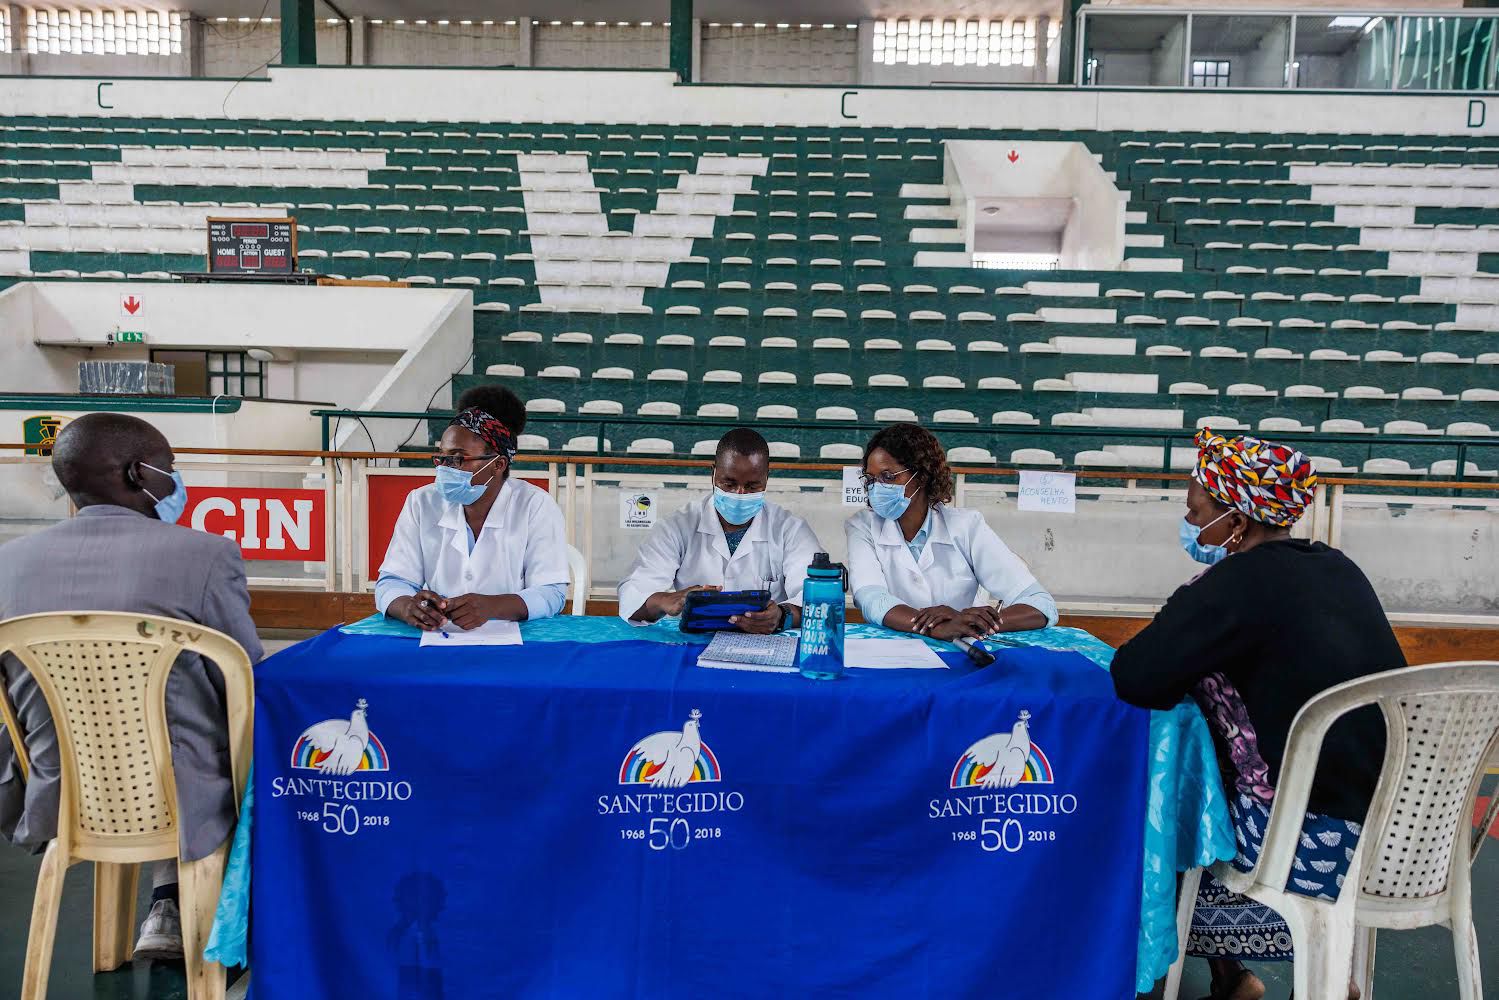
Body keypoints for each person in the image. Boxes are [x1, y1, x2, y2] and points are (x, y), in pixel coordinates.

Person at [1112, 429, 1404, 1000]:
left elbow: (1136, 677)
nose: (1190, 523)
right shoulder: (1340, 569)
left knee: (1163, 800)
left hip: (1305, 844)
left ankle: (1230, 975)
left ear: (1237, 522)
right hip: (1397, 835)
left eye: (1197, 511)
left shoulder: (1234, 583)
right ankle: (1304, 976)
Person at [0, 412, 264, 962]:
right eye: (169, 467)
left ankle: (165, 903)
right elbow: (243, 678)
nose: (176, 480)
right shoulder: (205, 555)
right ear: (137, 474)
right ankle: (211, 909)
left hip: (61, 794)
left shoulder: (8, 564)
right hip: (183, 797)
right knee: (247, 736)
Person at [378, 385, 570, 629]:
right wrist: (408, 606)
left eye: (458, 457)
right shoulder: (421, 502)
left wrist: (492, 607)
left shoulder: (535, 505)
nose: (444, 467)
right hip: (439, 636)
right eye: (442, 457)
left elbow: (551, 593)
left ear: (498, 464)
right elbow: (392, 581)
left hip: (515, 639)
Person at [845, 423, 1057, 641]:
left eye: (888, 477)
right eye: (870, 479)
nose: (876, 488)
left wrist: (971, 622)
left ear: (922, 476)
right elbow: (871, 598)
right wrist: (934, 627)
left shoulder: (967, 525)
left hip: (962, 649)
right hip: (892, 650)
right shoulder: (862, 525)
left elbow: (1041, 604)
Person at [617, 428, 822, 633]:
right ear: (713, 474)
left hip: (767, 641)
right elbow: (633, 595)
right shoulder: (676, 527)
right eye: (729, 483)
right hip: (694, 642)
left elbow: (818, 599)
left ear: (766, 478)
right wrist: (667, 600)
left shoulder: (791, 529)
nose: (740, 494)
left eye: (752, 486)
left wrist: (782, 616)